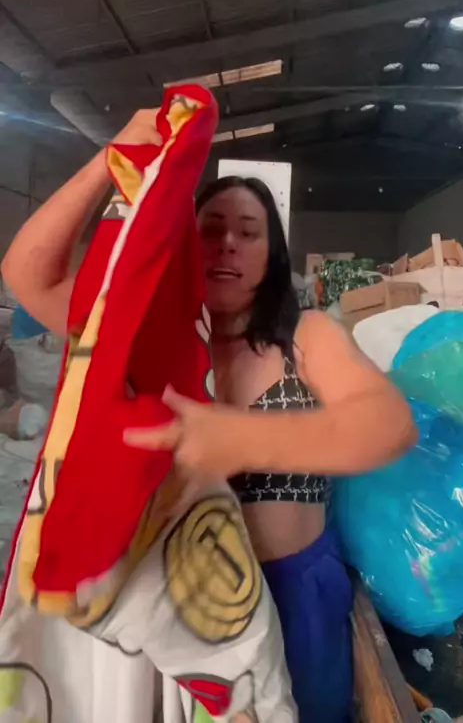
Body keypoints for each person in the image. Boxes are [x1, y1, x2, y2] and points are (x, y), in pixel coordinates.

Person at [2, 109, 417, 723]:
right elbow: (26, 275)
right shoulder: (141, 335)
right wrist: (108, 162)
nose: (227, 244)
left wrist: (238, 439)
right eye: (210, 229)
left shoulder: (305, 338)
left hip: (296, 595)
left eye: (249, 232)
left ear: (272, 255)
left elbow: (389, 426)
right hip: (173, 607)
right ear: (181, 242)